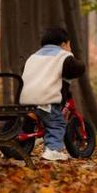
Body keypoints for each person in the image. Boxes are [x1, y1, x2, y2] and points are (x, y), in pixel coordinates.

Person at [20, 27, 86, 161]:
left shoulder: (33, 56)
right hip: (46, 100)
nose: (69, 48)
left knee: (31, 121)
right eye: (69, 45)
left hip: (25, 100)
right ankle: (52, 150)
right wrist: (81, 64)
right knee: (56, 123)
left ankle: (16, 147)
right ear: (63, 44)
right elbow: (75, 68)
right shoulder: (63, 56)